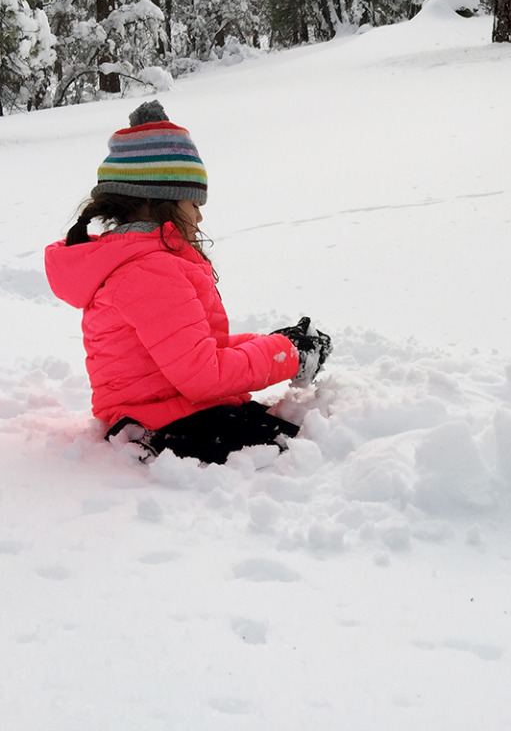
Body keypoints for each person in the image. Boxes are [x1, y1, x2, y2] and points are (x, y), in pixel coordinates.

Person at [45, 100, 330, 464]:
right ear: (158, 201)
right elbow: (204, 375)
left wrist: (278, 343)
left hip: (172, 411)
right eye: (193, 203)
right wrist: (289, 355)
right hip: (161, 425)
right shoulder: (149, 272)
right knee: (292, 453)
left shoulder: (145, 263)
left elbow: (200, 351)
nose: (199, 216)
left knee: (297, 437)